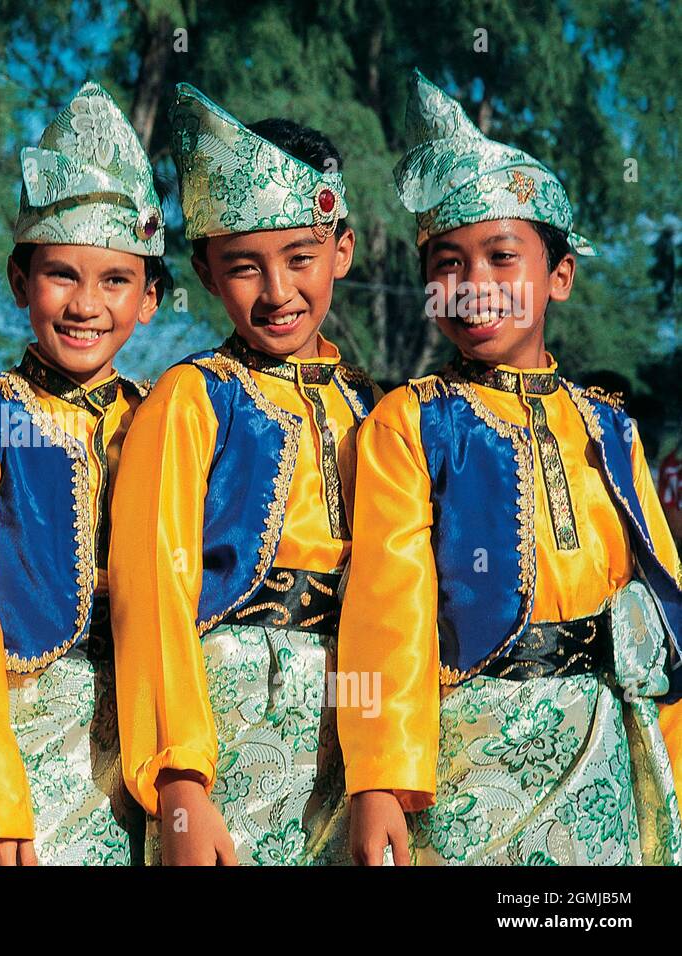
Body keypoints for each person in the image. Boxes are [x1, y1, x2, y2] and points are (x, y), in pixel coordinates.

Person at [340, 69, 682, 866]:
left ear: (558, 277)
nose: (475, 286)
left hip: (603, 746)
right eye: (449, 263)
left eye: (502, 257)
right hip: (467, 752)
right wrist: (381, 782)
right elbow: (388, 613)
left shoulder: (608, 425)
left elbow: (659, 598)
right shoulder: (411, 421)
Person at [111, 83, 377, 865]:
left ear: (343, 250)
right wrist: (181, 782)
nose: (278, 292)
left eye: (301, 258)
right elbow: (152, 589)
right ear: (203, 268)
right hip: (226, 713)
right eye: (244, 268)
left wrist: (386, 770)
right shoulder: (191, 398)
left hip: (352, 715)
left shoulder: (379, 412)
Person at [0, 81, 164, 866]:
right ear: (20, 282)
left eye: (116, 280)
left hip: (147, 745)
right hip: (22, 741)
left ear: (152, 298)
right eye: (61, 275)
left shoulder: (165, 418)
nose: (86, 304)